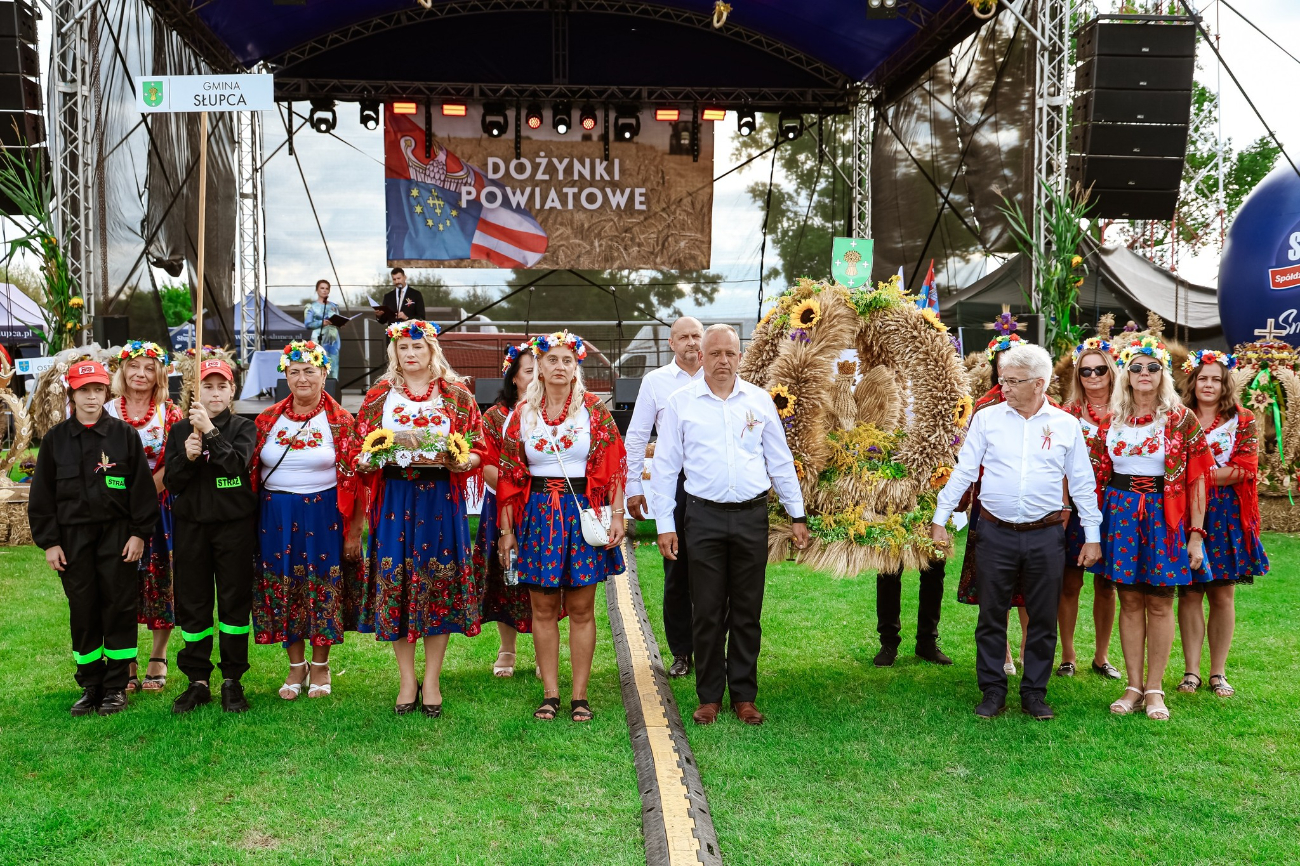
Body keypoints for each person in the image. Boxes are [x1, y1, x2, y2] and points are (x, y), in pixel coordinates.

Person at [932, 342, 1102, 721]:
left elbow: (1082, 482)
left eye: (1012, 381)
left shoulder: (1065, 425)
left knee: (1043, 616)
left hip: (1045, 535)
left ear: (1039, 384)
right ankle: (992, 690)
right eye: (1003, 380)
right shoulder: (988, 419)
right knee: (992, 615)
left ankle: (1034, 693)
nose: (1003, 388)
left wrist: (1092, 534)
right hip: (995, 532)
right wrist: (940, 517)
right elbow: (964, 471)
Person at [652, 324, 808, 727]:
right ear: (700, 356)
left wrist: (797, 514)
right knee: (705, 610)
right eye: (715, 353)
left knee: (746, 610)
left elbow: (780, 460)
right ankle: (709, 696)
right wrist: (664, 525)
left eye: (730, 353)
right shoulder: (680, 403)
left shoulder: (758, 401)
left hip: (750, 517)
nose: (723, 360)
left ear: (741, 357)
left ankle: (744, 695)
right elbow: (666, 468)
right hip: (701, 518)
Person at [354, 320, 486, 717]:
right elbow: (359, 447)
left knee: (436, 582)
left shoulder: (456, 395)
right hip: (395, 496)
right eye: (402, 348)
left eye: (417, 347)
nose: (410, 355)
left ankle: (432, 680)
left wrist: (461, 459)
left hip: (439, 500)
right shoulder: (380, 395)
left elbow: (479, 449)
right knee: (398, 583)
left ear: (432, 350)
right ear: (394, 353)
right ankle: (406, 679)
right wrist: (365, 460)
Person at [497, 331, 627, 723]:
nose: (559, 366)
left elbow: (615, 464)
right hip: (537, 515)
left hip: (581, 511)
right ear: (539, 365)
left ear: (576, 367)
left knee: (582, 607)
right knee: (543, 606)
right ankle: (550, 694)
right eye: (551, 359)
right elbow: (508, 475)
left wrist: (617, 514)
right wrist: (506, 531)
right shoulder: (522, 412)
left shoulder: (594, 410)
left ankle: (580, 696)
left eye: (566, 360)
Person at [1089, 335, 1213, 721]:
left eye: (1152, 367)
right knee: (1129, 600)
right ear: (1125, 375)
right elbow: (1095, 475)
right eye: (1136, 367)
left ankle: (1155, 688)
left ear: (1164, 374)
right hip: (1121, 514)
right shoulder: (1111, 419)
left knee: (1160, 602)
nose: (1144, 373)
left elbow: (1197, 480)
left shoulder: (1181, 419)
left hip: (1166, 514)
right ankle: (1132, 686)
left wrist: (1195, 535)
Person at [28, 361, 157, 716]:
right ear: (72, 393)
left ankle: (115, 686)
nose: (91, 397)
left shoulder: (124, 435)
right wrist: (50, 542)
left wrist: (138, 534)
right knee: (83, 610)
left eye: (97, 390)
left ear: (106, 393)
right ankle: (90, 684)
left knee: (118, 607)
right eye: (84, 390)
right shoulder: (55, 440)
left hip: (117, 536)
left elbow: (142, 491)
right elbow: (41, 498)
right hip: (72, 541)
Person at [251, 341, 363, 700]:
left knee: (320, 586)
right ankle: (295, 665)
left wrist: (354, 533)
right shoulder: (266, 420)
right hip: (275, 515)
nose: (302, 378)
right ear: (285, 375)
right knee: (286, 585)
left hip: (323, 513)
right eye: (294, 371)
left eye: (309, 371)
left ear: (324, 374)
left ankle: (320, 665)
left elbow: (357, 481)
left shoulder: (342, 421)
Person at [165, 359, 259, 714]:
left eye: (222, 386)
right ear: (197, 391)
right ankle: (197, 680)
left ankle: (232, 679)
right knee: (193, 602)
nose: (215, 392)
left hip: (233, 528)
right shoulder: (179, 432)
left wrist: (211, 432)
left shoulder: (243, 428)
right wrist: (186, 458)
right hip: (191, 528)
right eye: (208, 386)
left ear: (232, 391)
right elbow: (172, 483)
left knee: (234, 603)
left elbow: (236, 464)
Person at [1176, 349, 1267, 698]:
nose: (1209, 384)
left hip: (1228, 516)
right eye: (1203, 378)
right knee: (1190, 593)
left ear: (1225, 382)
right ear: (1193, 381)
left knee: (1222, 595)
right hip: (1186, 513)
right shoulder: (1180, 418)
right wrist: (1204, 477)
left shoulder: (1242, 420)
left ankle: (1218, 672)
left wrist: (1195, 476)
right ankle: (1191, 672)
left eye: (1216, 378)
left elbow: (1245, 468)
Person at [625, 316, 704, 678]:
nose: (692, 342)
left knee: (716, 571)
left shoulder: (722, 376)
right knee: (676, 571)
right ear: (671, 344)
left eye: (696, 336)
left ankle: (710, 648)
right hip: (672, 484)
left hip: (713, 485)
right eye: (684, 337)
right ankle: (682, 651)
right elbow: (637, 437)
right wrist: (633, 487)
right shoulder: (655, 382)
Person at [474, 342, 555, 678]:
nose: (537, 376)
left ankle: (543, 651)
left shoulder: (554, 411)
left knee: (543, 579)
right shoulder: (495, 416)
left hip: (542, 507)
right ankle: (506, 648)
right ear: (515, 378)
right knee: (504, 577)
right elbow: (488, 464)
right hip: (502, 507)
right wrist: (516, 491)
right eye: (528, 371)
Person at [106, 341, 182, 693]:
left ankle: (158, 655)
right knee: (119, 584)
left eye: (149, 367)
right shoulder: (105, 410)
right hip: (113, 512)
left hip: (160, 509)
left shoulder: (171, 413)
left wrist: (144, 495)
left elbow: (177, 462)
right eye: (134, 366)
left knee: (160, 582)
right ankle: (125, 657)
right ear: (123, 370)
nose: (141, 373)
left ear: (160, 374)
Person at [955, 330, 1031, 676]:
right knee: (995, 586)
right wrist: (964, 498)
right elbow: (970, 460)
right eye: (1004, 363)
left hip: (1031, 507)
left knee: (1031, 586)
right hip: (991, 507)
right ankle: (1002, 653)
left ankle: (1031, 648)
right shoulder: (985, 406)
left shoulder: (1042, 404)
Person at [1058, 338, 1122, 679]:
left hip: (1115, 506)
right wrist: (1065, 503)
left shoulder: (1128, 412)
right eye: (1086, 371)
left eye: (1100, 369)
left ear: (1111, 372)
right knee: (1069, 583)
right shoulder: (1066, 414)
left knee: (1107, 584)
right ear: (1078, 375)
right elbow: (1059, 464)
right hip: (1075, 507)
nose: (1093, 375)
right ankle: (1068, 655)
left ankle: (1101, 656)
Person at [303, 280, 343, 378]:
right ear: (317, 290)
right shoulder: (312, 307)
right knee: (318, 364)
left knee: (333, 366)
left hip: (333, 340)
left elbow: (338, 319)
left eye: (327, 288)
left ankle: (333, 390)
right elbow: (308, 324)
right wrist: (322, 323)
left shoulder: (334, 306)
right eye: (322, 288)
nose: (324, 290)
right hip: (319, 339)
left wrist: (341, 323)